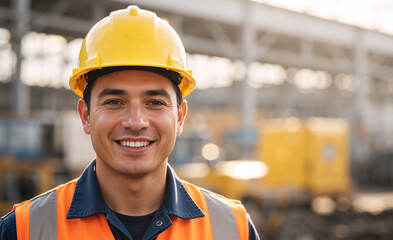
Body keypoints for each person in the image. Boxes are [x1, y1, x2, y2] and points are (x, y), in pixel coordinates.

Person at [0, 5, 259, 240]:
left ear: (180, 117)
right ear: (85, 115)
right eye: (115, 102)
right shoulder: (24, 230)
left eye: (155, 102)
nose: (136, 122)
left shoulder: (233, 229)